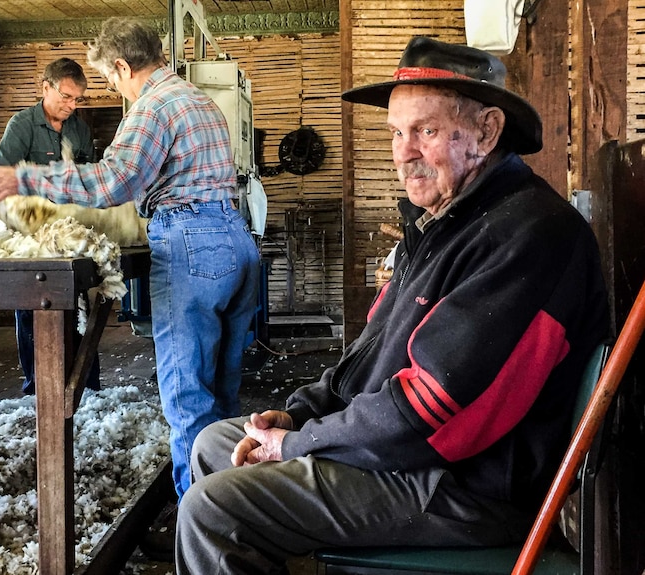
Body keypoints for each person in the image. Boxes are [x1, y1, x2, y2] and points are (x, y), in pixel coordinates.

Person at [175, 36, 610, 573]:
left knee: (214, 510)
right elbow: (367, 359)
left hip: (466, 487)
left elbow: (431, 411)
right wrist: (298, 413)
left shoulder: (530, 232)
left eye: (426, 131)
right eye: (396, 133)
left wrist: (297, 445)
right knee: (215, 444)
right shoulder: (442, 225)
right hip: (414, 461)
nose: (404, 152)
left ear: (487, 131)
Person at [0, 16, 261, 549]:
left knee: (186, 400)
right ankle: (235, 517)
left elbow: (110, 182)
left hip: (192, 243)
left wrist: (24, 178)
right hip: (236, 239)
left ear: (125, 65)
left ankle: (197, 535)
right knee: (223, 397)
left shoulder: (151, 104)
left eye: (111, 79)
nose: (114, 88)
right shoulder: (196, 99)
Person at [0, 57, 98, 395]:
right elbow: (4, 177)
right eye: (65, 96)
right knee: (30, 306)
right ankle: (37, 387)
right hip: (30, 232)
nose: (71, 105)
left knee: (77, 303)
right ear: (46, 88)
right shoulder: (22, 125)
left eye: (77, 99)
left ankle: (85, 385)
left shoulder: (79, 130)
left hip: (67, 232)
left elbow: (89, 180)